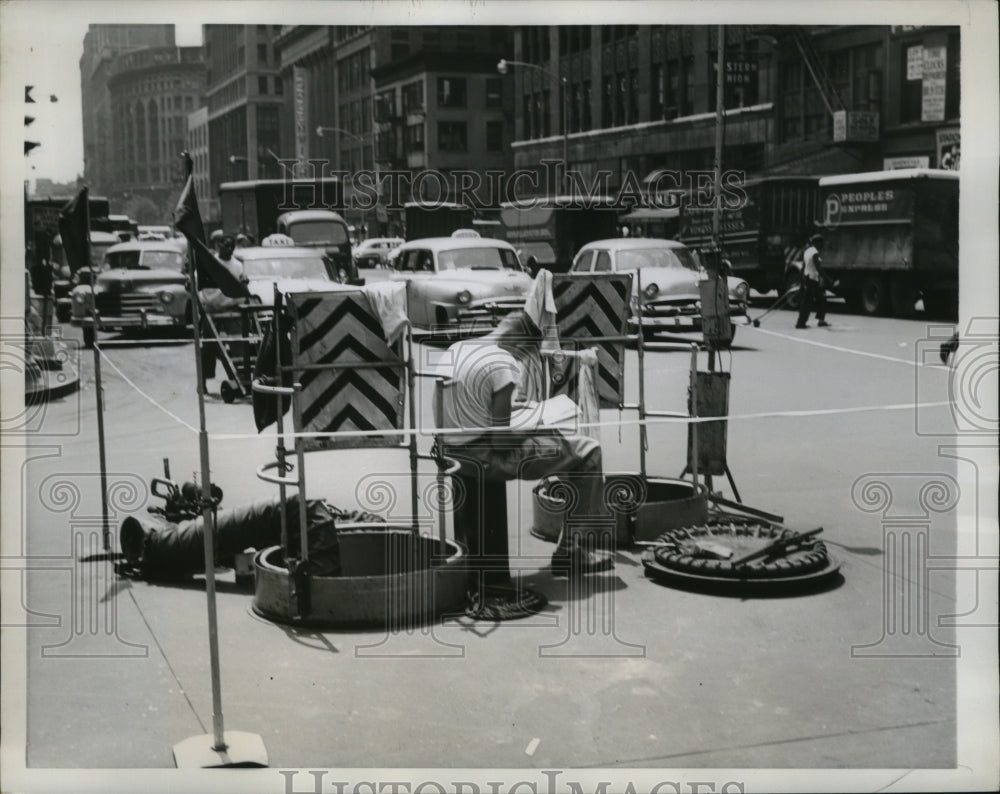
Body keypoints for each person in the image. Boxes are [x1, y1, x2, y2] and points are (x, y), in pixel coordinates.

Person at [437, 311, 615, 577]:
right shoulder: (501, 363)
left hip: (450, 451)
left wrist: (514, 410)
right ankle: (571, 551)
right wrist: (539, 422)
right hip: (485, 456)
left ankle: (573, 544)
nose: (521, 363)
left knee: (565, 444)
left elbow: (467, 409)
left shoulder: (456, 348)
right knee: (589, 452)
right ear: (520, 345)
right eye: (524, 356)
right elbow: (501, 442)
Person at [199, 234, 246, 392]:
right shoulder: (209, 263)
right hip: (212, 310)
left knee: (239, 344)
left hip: (231, 309)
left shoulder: (238, 265)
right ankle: (203, 381)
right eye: (226, 246)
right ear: (218, 245)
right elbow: (199, 285)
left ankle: (241, 378)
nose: (229, 249)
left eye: (232, 246)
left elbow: (242, 284)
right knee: (209, 347)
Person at [796, 233, 831, 329]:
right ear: (817, 243)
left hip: (808, 279)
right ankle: (800, 323)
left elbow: (803, 267)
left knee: (819, 299)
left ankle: (819, 320)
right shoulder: (814, 252)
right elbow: (818, 268)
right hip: (812, 281)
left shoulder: (807, 251)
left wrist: (801, 281)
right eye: (821, 243)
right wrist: (828, 279)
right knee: (808, 302)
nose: (823, 245)